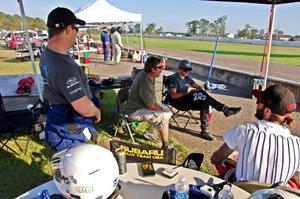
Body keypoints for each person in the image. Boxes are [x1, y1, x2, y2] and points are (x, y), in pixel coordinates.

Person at [211, 85, 300, 186]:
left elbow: (215, 159)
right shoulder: (297, 144)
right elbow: (297, 178)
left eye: (259, 102)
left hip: (242, 193)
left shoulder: (243, 131)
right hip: (275, 195)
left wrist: (239, 164)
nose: (256, 105)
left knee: (226, 167)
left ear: (267, 111)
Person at [39, 7, 101, 151]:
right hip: (69, 126)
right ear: (68, 29)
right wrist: (96, 111)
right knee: (76, 168)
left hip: (56, 117)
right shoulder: (65, 67)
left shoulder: (47, 53)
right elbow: (83, 107)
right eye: (76, 29)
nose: (76, 33)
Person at [167, 59, 241, 141]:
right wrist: (187, 92)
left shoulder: (187, 78)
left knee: (204, 101)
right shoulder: (173, 79)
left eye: (188, 70)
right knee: (202, 95)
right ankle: (225, 109)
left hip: (187, 101)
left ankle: (204, 131)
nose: (187, 72)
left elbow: (198, 86)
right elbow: (173, 95)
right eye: (185, 70)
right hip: (178, 102)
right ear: (179, 68)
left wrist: (204, 87)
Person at [125, 56, 172, 148]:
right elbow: (151, 106)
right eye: (160, 67)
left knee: (168, 111)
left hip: (141, 106)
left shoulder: (146, 72)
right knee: (164, 115)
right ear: (153, 69)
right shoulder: (145, 80)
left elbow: (134, 72)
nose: (162, 69)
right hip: (134, 111)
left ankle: (150, 132)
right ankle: (165, 145)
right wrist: (160, 109)